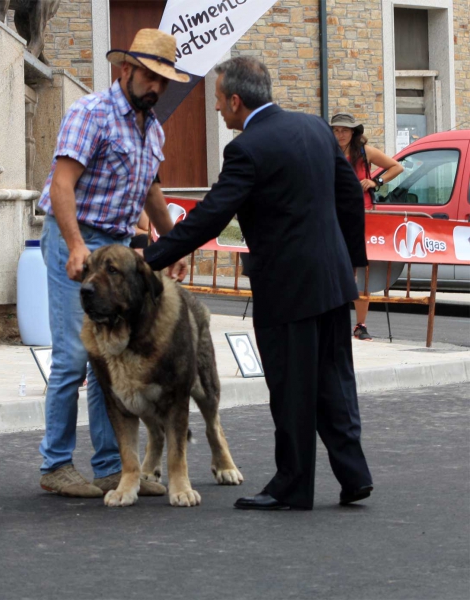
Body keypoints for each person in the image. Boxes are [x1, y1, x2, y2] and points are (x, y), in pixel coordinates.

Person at [143, 56, 373, 510]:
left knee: (290, 390)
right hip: (332, 283)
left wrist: (149, 260)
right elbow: (350, 194)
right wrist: (348, 260)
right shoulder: (314, 128)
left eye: (217, 102)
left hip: (287, 290)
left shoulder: (246, 149)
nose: (216, 112)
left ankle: (293, 487)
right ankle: (354, 475)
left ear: (235, 100)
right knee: (334, 383)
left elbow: (211, 216)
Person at [37, 29, 189, 498]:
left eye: (164, 81)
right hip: (76, 241)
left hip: (118, 250)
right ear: (125, 69)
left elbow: (151, 190)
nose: (156, 87)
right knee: (75, 355)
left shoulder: (153, 128)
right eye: (149, 75)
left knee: (111, 359)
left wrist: (174, 243)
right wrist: (76, 244)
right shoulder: (92, 114)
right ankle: (55, 463)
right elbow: (62, 186)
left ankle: (112, 467)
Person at [331, 112, 404, 341]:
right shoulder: (326, 150)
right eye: (336, 130)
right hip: (332, 216)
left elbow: (396, 167)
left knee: (359, 272)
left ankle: (360, 326)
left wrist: (375, 182)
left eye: (345, 130)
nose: (340, 134)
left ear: (353, 132)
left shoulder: (364, 152)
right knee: (333, 270)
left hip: (361, 216)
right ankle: (333, 322)